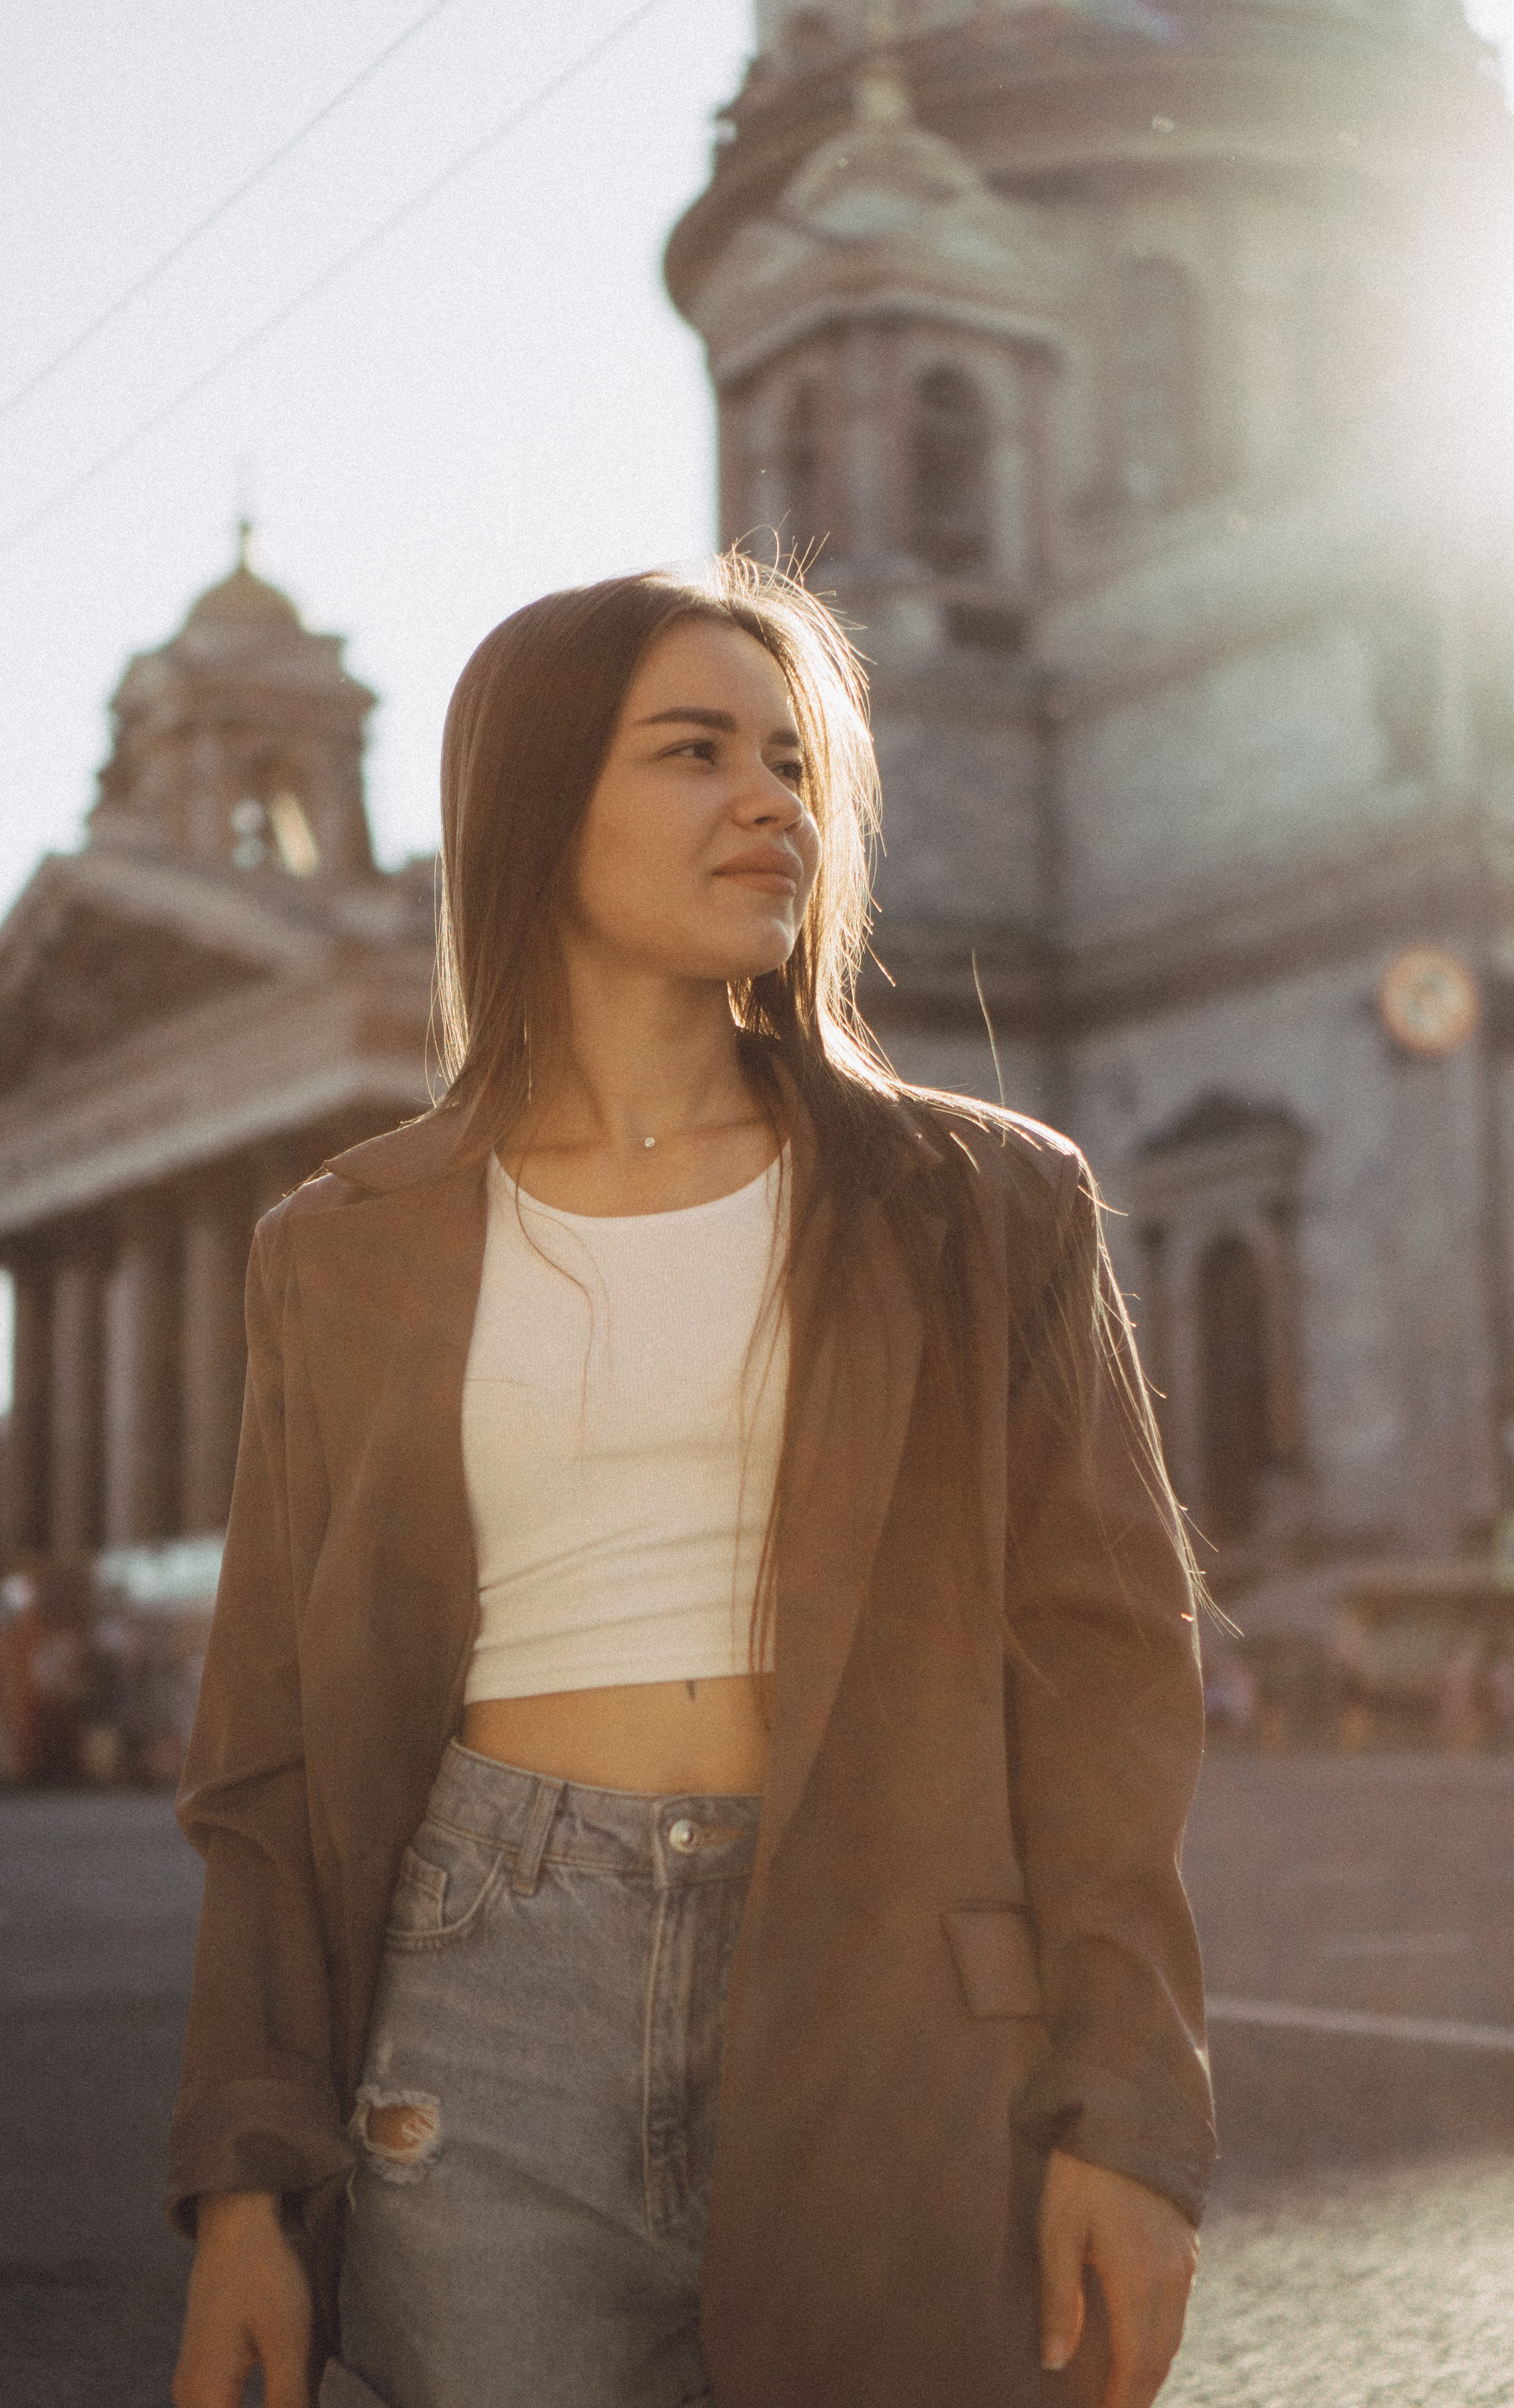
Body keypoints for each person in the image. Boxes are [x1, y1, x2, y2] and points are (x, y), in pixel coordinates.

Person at [169, 555, 1215, 2408]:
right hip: (484, 1991)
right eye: (694, 753)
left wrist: (1127, 2115)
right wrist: (249, 2179)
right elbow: (265, 1750)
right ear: (538, 804)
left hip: (890, 1985)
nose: (770, 803)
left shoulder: (990, 1205)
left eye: (796, 763)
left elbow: (1110, 1683)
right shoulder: (339, 1248)